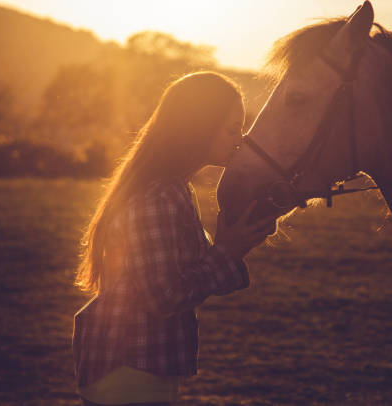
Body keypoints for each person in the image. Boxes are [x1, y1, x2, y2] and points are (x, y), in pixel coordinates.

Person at [72, 71, 276, 406]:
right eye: (231, 129)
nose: (239, 139)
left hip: (139, 363)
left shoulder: (173, 187)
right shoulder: (157, 196)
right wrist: (226, 252)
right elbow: (164, 296)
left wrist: (234, 245)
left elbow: (183, 274)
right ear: (198, 127)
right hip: (128, 365)